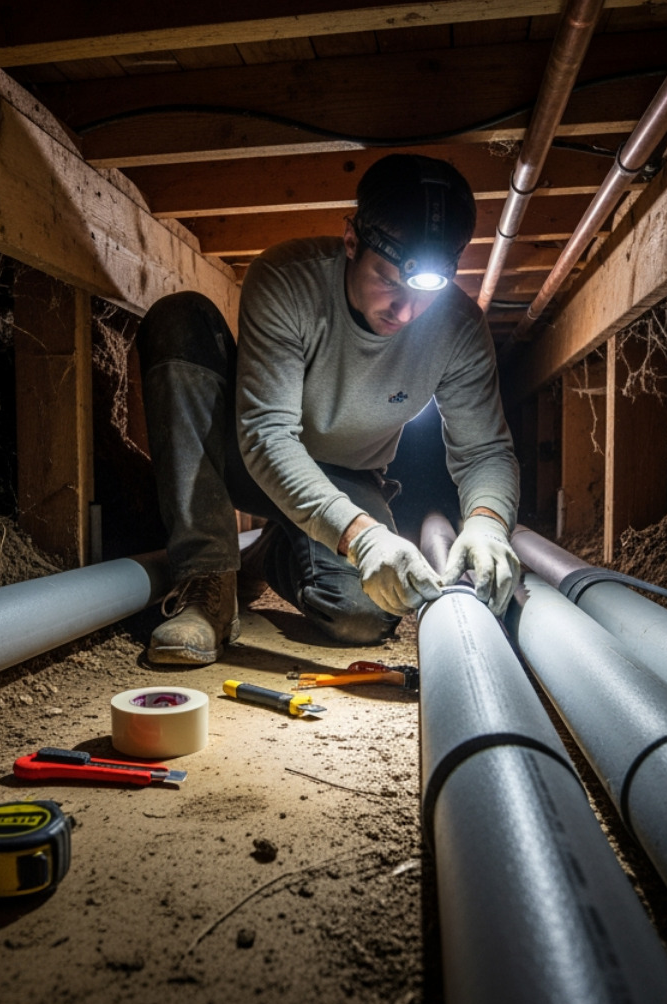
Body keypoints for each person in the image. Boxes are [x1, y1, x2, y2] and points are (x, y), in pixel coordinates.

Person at [134, 153, 521, 666]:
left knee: (362, 614)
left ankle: (265, 554)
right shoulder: (288, 282)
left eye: (424, 291)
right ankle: (206, 577)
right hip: (243, 457)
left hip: (348, 475)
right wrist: (362, 538)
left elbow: (485, 451)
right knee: (179, 319)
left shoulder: (459, 330)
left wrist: (488, 522)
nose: (404, 311)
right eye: (388, 280)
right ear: (351, 241)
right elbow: (268, 435)